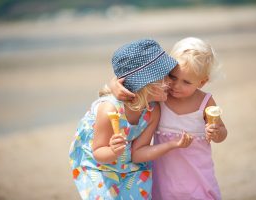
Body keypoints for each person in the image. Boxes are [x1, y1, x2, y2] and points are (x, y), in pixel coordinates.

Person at [69, 39, 192, 200]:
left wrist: (172, 145)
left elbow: (137, 154)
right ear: (145, 83)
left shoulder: (153, 110)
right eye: (164, 76)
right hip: (97, 165)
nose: (170, 81)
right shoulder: (110, 109)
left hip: (130, 164)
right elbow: (98, 152)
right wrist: (113, 151)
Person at [111, 37, 227, 200]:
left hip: (198, 176)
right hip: (165, 179)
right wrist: (114, 84)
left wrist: (217, 132)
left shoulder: (206, 102)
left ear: (202, 82)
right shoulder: (160, 99)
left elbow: (222, 132)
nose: (176, 86)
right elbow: (135, 79)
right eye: (172, 77)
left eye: (186, 82)